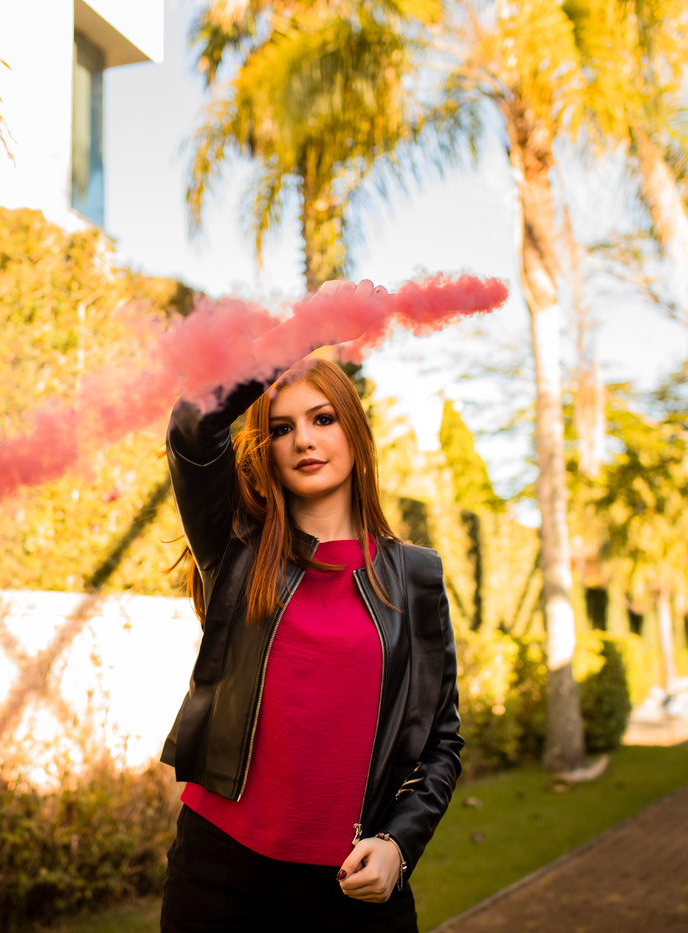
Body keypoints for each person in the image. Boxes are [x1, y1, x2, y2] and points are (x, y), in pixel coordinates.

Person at [159, 280, 463, 932]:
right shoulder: (235, 546)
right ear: (266, 448)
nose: (304, 439)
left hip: (350, 885)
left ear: (354, 433)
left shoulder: (416, 576)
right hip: (219, 872)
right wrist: (299, 335)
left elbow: (440, 741)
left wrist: (399, 843)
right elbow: (193, 424)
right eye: (282, 428)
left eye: (323, 419)